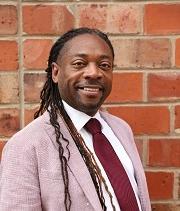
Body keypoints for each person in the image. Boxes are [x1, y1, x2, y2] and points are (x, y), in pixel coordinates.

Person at [0, 27, 151, 211]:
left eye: (104, 65)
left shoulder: (121, 129)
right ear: (55, 73)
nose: (94, 73)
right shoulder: (26, 146)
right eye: (80, 63)